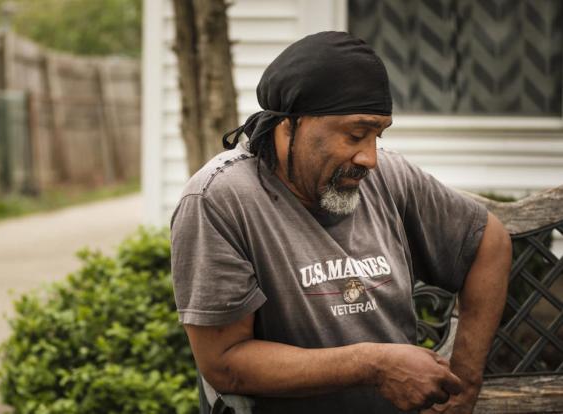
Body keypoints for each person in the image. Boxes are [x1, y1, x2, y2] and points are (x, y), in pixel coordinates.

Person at [170, 31, 511, 413]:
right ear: (289, 127)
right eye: (355, 135)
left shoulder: (388, 177)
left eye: (376, 135)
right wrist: (374, 365)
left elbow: (489, 242)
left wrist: (464, 384)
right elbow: (225, 362)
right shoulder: (221, 199)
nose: (370, 158)